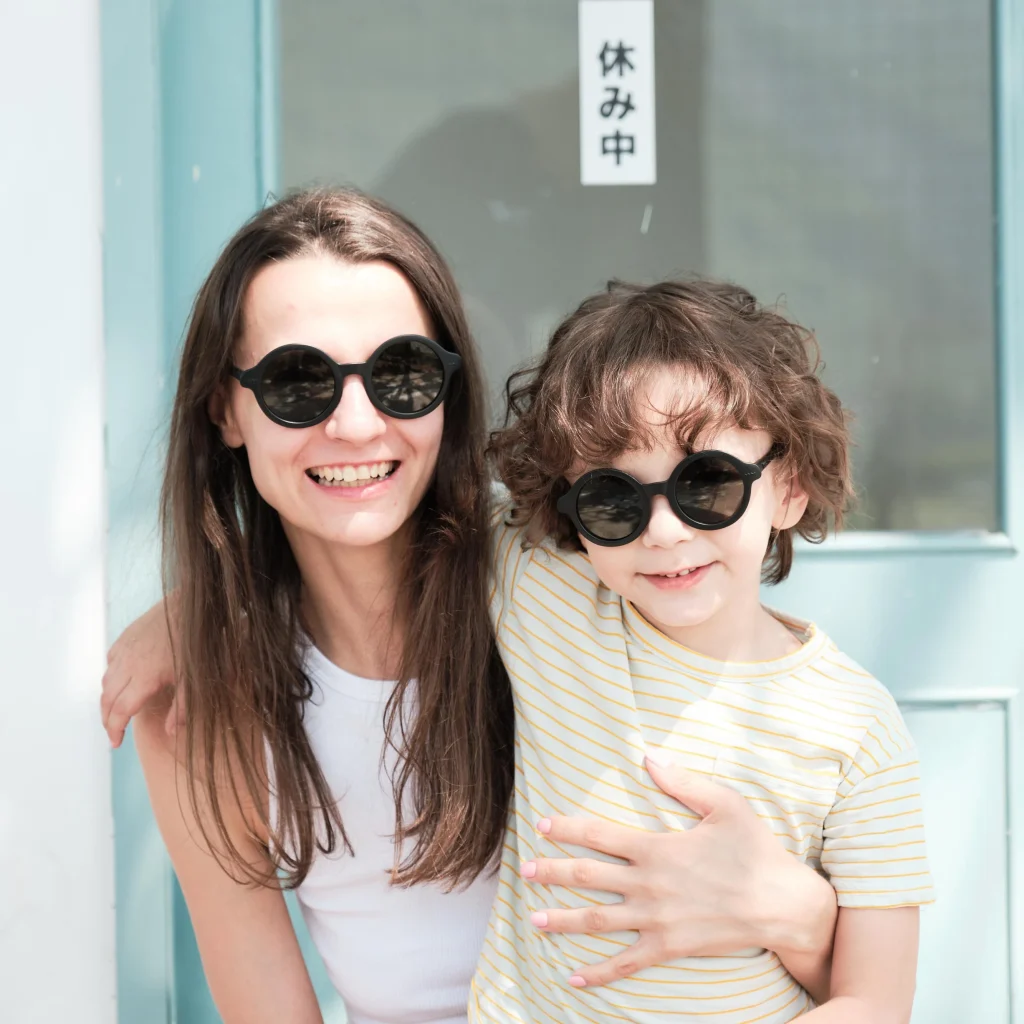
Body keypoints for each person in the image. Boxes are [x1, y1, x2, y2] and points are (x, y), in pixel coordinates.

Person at [101, 188, 840, 1024]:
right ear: (225, 409)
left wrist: (794, 909)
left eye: (401, 375)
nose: (355, 423)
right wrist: (203, 603)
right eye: (298, 383)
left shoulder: (569, 582)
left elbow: (843, 965)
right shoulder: (203, 712)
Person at [473, 278, 934, 1022]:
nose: (662, 531)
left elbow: (875, 1001)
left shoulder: (857, 730)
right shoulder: (544, 594)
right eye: (613, 498)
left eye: (707, 483)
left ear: (790, 488)